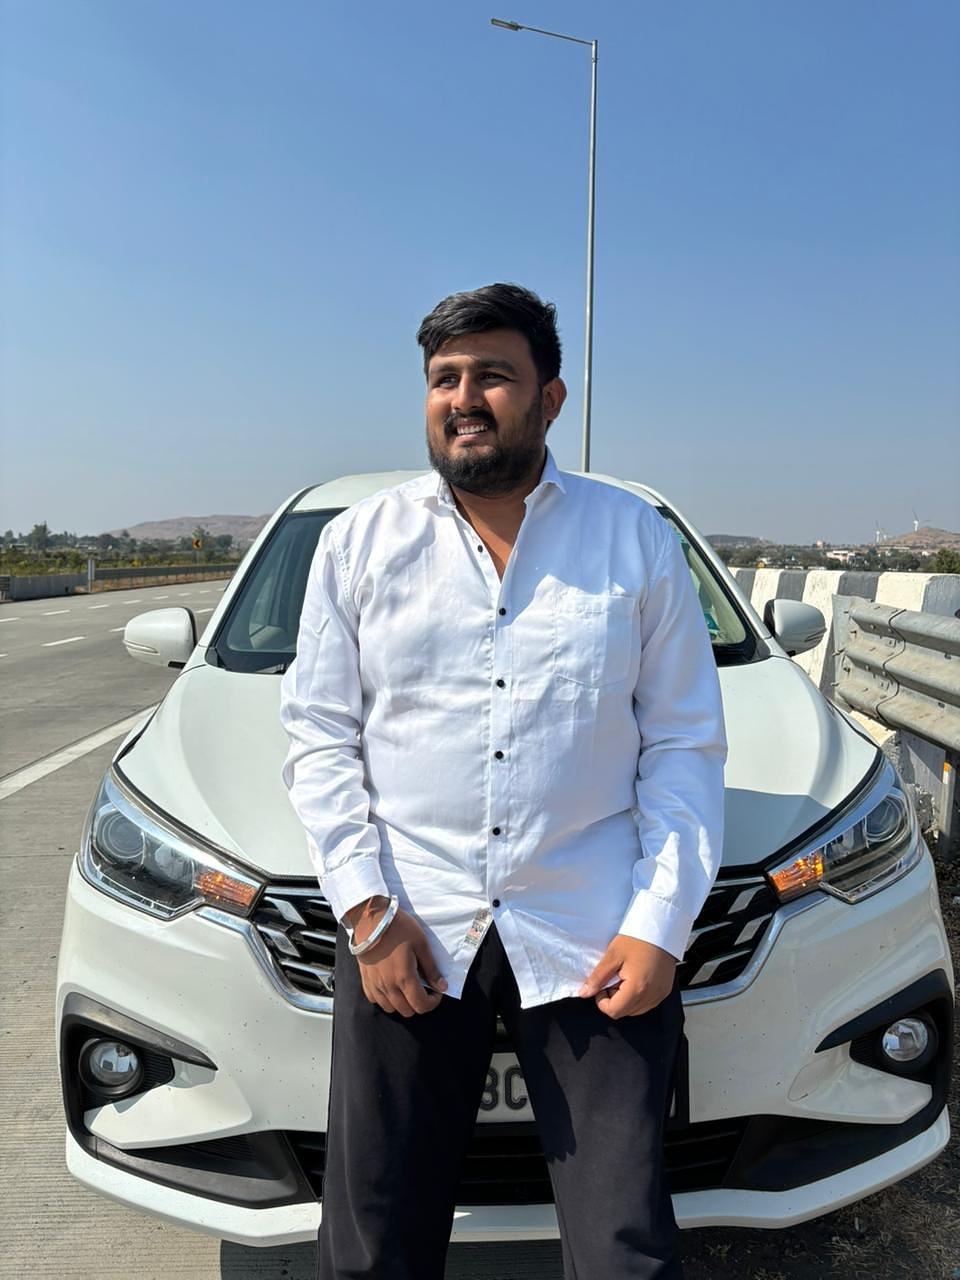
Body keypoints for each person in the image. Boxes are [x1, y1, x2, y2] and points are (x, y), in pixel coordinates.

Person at [279, 283, 728, 1279]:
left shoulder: (635, 539)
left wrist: (660, 924)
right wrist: (367, 913)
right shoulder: (360, 543)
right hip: (409, 929)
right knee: (374, 1242)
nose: (464, 398)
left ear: (551, 398)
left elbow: (684, 745)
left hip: (593, 935)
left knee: (625, 1248)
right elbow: (318, 736)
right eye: (444, 377)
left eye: (492, 375)